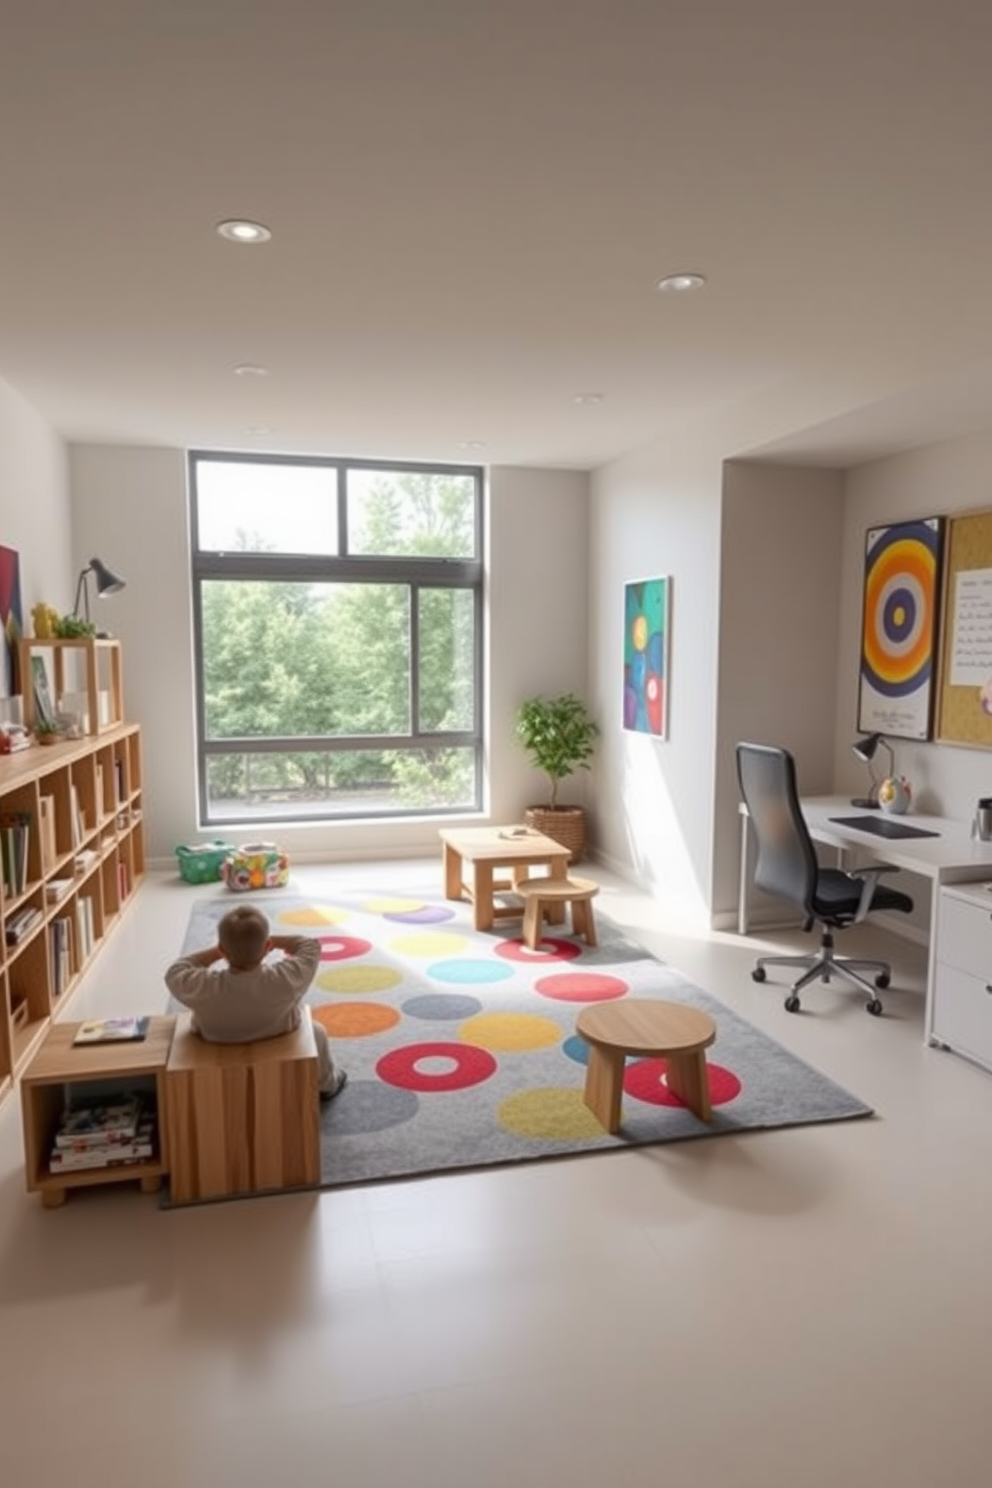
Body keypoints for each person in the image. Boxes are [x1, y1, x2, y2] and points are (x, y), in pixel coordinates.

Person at [164, 904, 347, 1100]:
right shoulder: (285, 978)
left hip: (220, 1046)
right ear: (267, 947)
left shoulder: (204, 987)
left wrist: (221, 950)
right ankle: (327, 1084)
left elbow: (176, 971)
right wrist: (270, 941)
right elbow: (310, 946)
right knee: (317, 1031)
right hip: (279, 1040)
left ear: (223, 950)